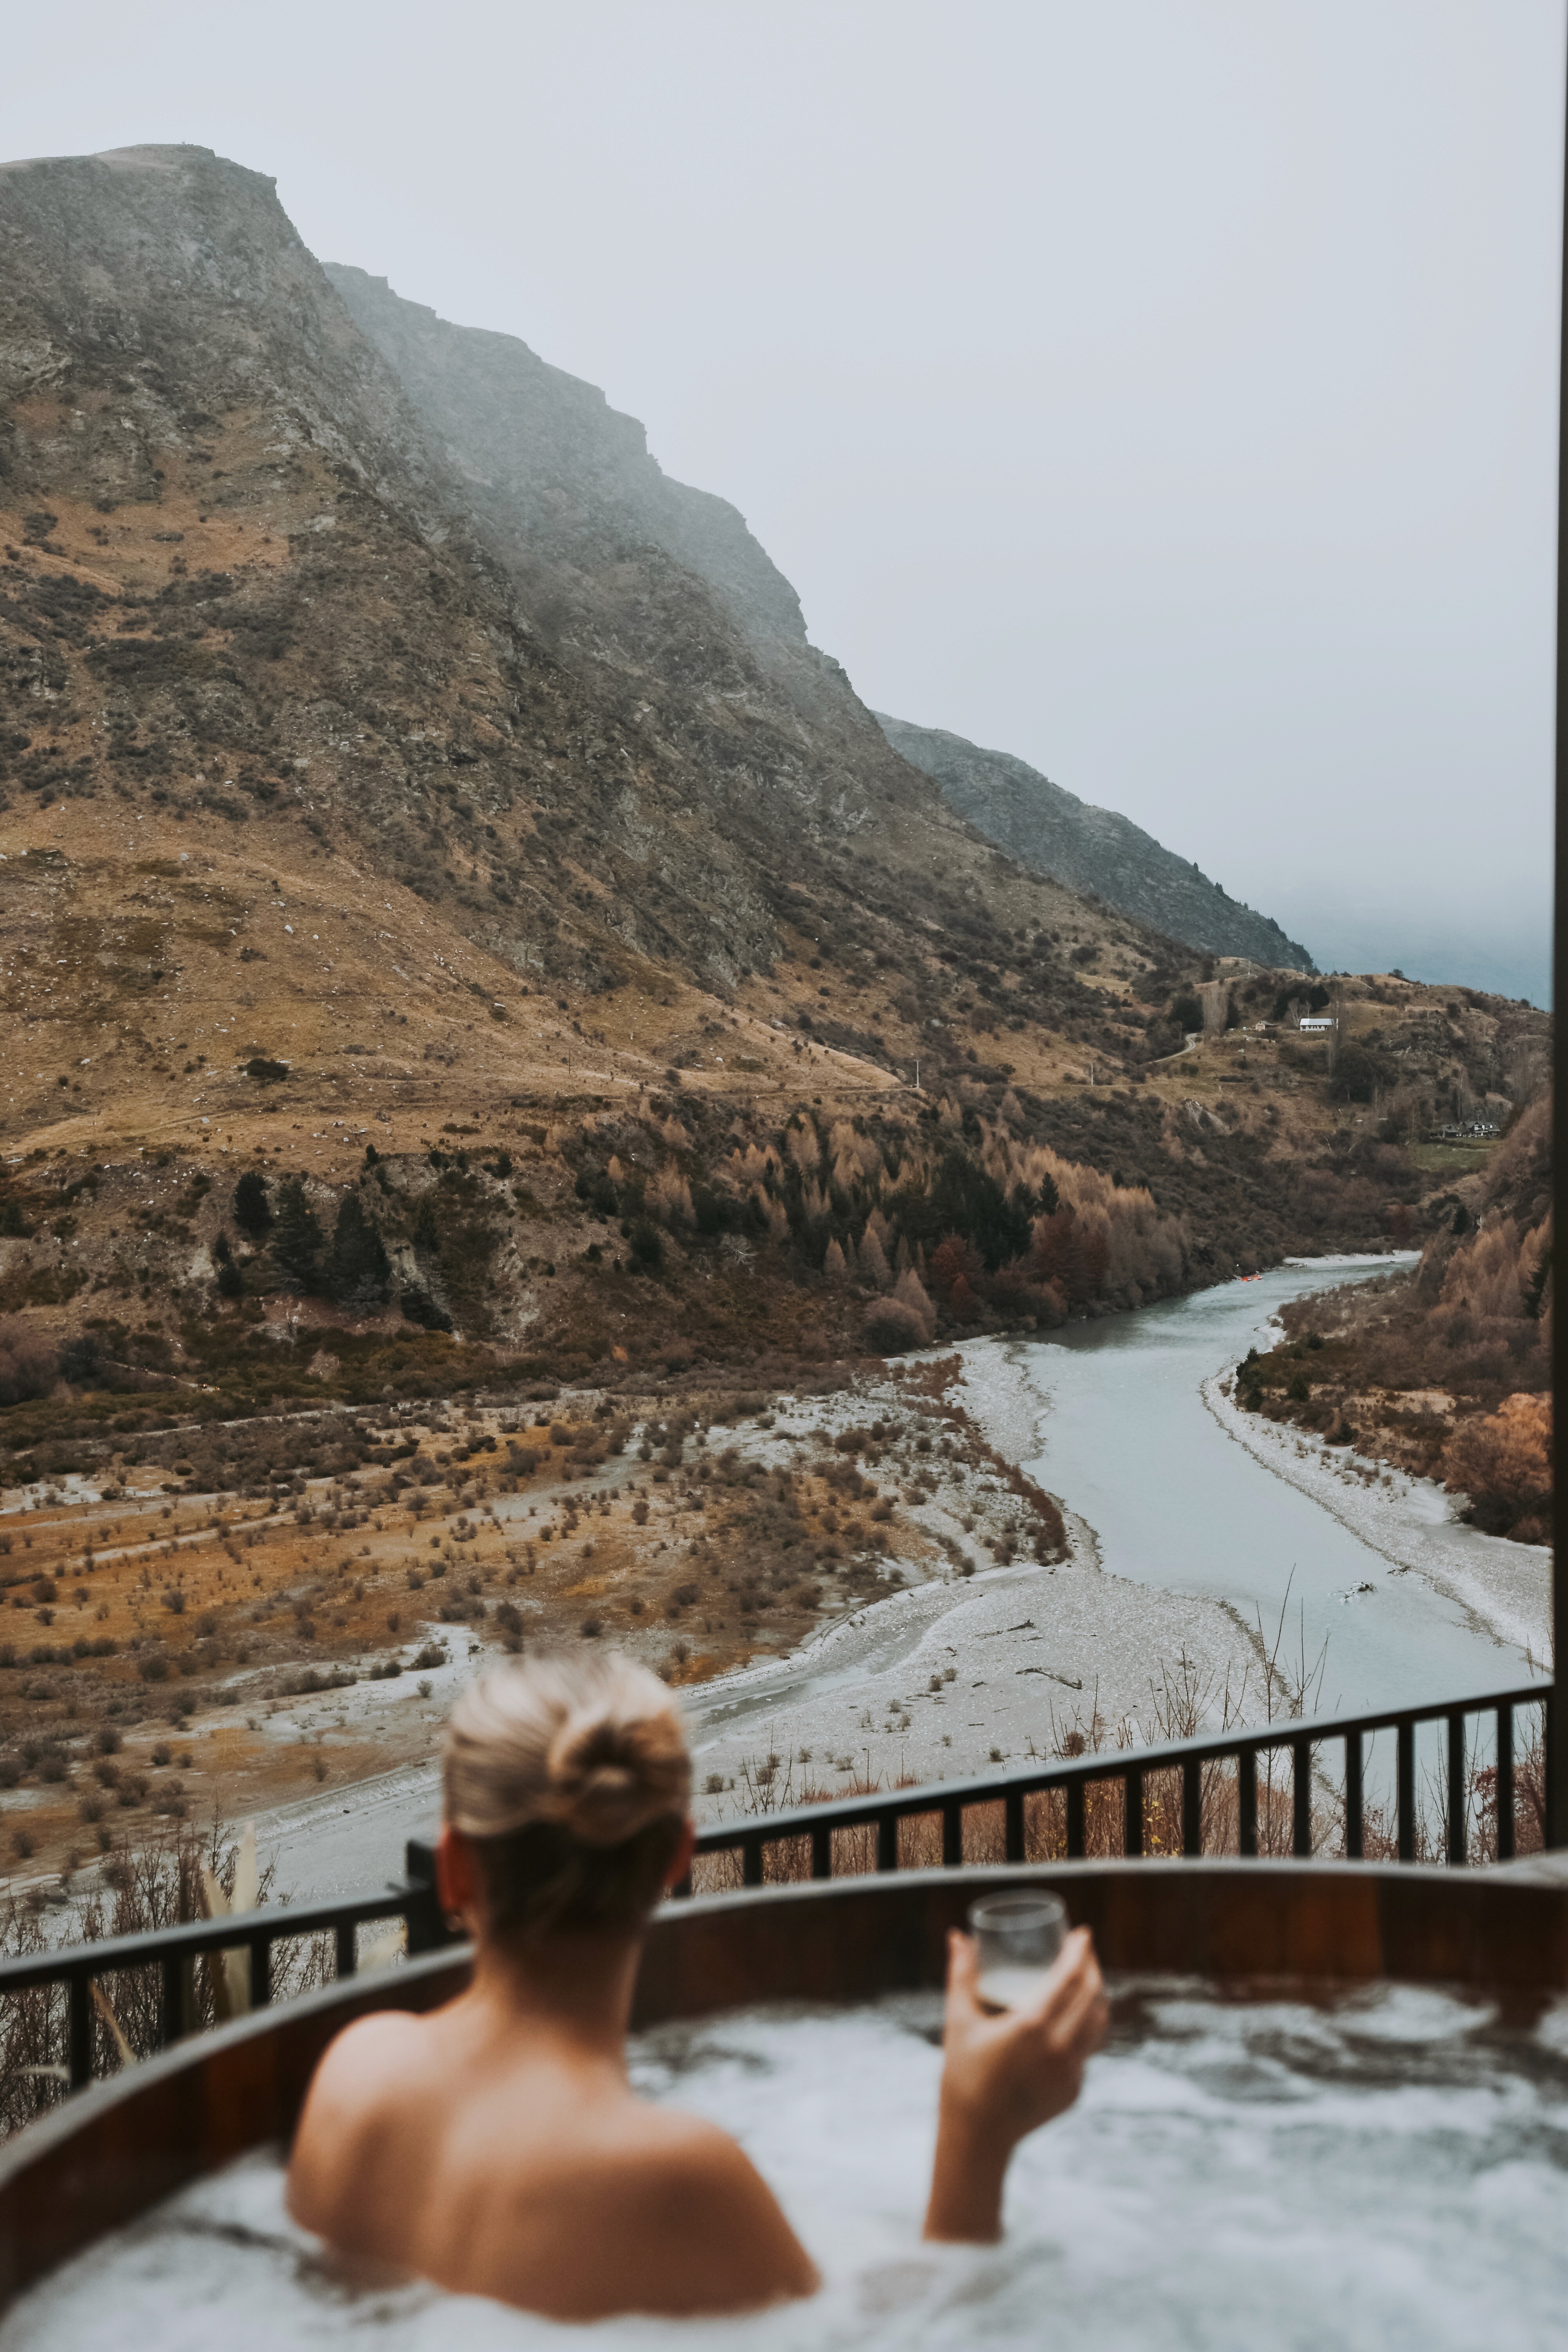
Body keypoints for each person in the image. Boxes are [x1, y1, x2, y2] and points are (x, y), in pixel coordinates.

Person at [287, 1652, 1108, 2320]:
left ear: (455, 1871)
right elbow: (911, 2340)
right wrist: (976, 2132)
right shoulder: (672, 2178)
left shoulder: (359, 2074)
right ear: (678, 1859)